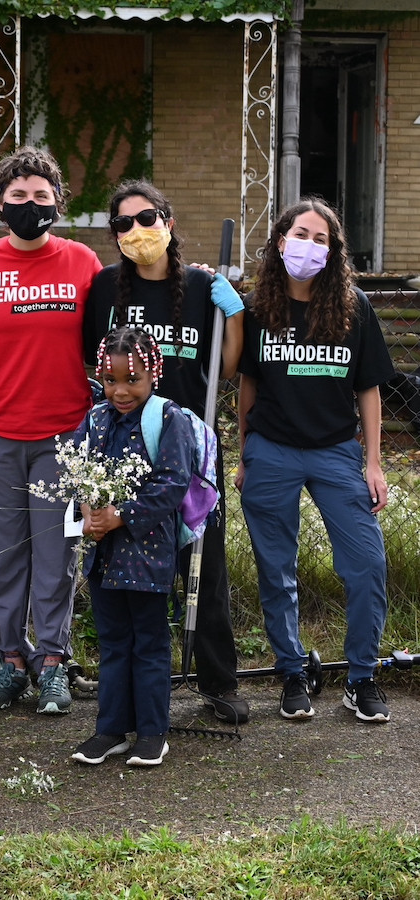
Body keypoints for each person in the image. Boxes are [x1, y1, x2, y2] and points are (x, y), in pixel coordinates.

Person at [82, 179, 249, 725]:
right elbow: (98, 363)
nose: (136, 231)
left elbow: (225, 368)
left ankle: (219, 681)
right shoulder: (107, 288)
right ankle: (134, 683)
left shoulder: (202, 287)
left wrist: (236, 313)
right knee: (127, 563)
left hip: (189, 448)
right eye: (123, 224)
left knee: (203, 565)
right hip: (125, 448)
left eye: (145, 217)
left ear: (168, 221)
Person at [236, 197, 394, 723]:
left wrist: (372, 462)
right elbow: (248, 384)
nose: (309, 245)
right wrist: (244, 453)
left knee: (367, 564)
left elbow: (369, 388)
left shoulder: (351, 306)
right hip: (272, 451)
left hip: (335, 452)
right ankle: (291, 671)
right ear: (281, 242)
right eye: (301, 234)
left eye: (321, 238)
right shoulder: (259, 307)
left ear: (334, 251)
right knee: (275, 570)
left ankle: (361, 676)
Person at [0, 145, 102, 716]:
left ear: (58, 204)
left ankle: (52, 662)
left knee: (56, 552)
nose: (29, 204)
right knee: (1, 554)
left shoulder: (83, 262)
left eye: (41, 196)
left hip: (64, 433)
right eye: (18, 196)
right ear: (0, 204)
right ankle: (10, 661)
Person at [70, 327, 193, 767]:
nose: (120, 391)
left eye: (132, 379)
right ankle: (110, 729)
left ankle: (153, 733)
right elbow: (79, 469)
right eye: (109, 380)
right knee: (113, 641)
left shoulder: (168, 418)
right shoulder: (97, 418)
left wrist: (122, 514)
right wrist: (89, 512)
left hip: (147, 554)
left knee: (150, 642)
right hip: (104, 555)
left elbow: (173, 482)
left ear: (153, 374)